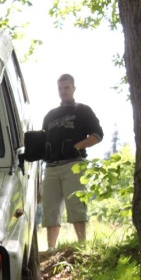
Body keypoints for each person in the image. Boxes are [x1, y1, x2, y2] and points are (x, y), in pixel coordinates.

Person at [41, 73, 103, 251]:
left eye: (66, 87)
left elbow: (98, 135)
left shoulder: (83, 110)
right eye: (60, 88)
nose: (63, 91)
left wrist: (77, 146)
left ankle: (82, 245)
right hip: (51, 167)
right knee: (50, 208)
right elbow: (42, 139)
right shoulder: (50, 115)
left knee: (76, 204)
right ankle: (51, 248)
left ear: (73, 88)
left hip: (74, 164)